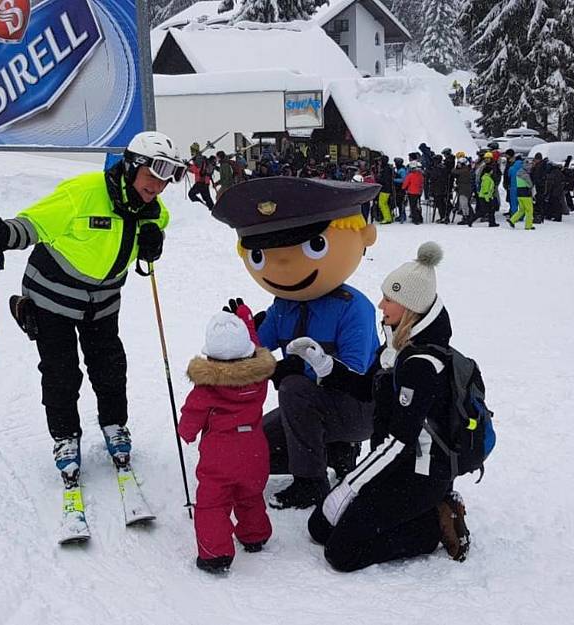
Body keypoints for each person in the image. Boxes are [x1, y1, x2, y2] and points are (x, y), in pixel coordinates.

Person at [0, 131, 184, 489]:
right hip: (51, 297)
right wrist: (4, 234)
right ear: (133, 167)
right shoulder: (84, 192)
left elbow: (157, 224)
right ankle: (65, 437)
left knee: (110, 366)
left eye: (167, 178)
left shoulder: (152, 207)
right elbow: (36, 223)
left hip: (102, 302)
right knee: (61, 371)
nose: (159, 186)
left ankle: (115, 425)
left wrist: (154, 241)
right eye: (154, 175)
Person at [286, 242, 470, 571]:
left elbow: (399, 442)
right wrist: (323, 363)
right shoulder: (397, 344)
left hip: (420, 476)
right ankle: (413, 513)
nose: (381, 304)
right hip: (393, 466)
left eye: (389, 298)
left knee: (341, 553)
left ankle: (432, 525)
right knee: (319, 528)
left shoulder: (422, 365)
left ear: (410, 307)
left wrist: (351, 484)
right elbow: (366, 387)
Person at [211, 176, 382, 509]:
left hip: (358, 408)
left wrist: (299, 369)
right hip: (310, 410)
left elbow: (356, 370)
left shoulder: (353, 307)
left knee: (293, 387)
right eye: (261, 254)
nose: (283, 266)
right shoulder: (284, 306)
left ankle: (311, 482)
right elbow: (258, 348)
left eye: (312, 245)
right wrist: (240, 329)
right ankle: (334, 450)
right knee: (254, 450)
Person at [178, 303, 276, 574]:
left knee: (213, 503)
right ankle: (255, 534)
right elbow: (255, 354)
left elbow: (192, 415)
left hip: (220, 457)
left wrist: (185, 432)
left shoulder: (207, 387)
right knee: (250, 494)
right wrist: (248, 324)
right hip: (255, 450)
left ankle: (215, 554)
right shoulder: (258, 379)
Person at [466, 163, 499, 227]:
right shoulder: (487, 178)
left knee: (491, 210)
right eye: (491, 170)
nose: (492, 171)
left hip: (485, 196)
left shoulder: (486, 177)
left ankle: (492, 222)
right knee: (484, 211)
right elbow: (485, 189)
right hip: (485, 197)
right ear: (489, 171)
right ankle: (471, 220)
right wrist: (487, 198)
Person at [507, 155, 536, 230]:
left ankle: (512, 220)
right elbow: (530, 184)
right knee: (529, 210)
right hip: (526, 193)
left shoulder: (518, 173)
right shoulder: (525, 175)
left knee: (521, 210)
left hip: (519, 193)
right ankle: (528, 226)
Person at [452, 156, 473, 224]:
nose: (458, 165)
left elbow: (454, 171)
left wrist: (455, 168)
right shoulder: (466, 169)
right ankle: (469, 215)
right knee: (465, 203)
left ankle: (466, 217)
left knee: (464, 204)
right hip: (463, 188)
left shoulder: (465, 170)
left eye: (459, 164)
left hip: (464, 189)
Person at [376, 154, 394, 224]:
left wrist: (378, 179)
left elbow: (385, 180)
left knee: (382, 203)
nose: (379, 162)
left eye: (380, 161)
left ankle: (387, 218)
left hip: (385, 189)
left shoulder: (385, 169)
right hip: (386, 188)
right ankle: (388, 217)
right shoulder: (387, 168)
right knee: (383, 203)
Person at [393, 157, 407, 222]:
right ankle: (401, 215)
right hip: (398, 188)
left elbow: (404, 180)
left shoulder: (402, 170)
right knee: (399, 202)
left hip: (401, 188)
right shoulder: (399, 169)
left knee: (401, 202)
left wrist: (394, 180)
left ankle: (403, 215)